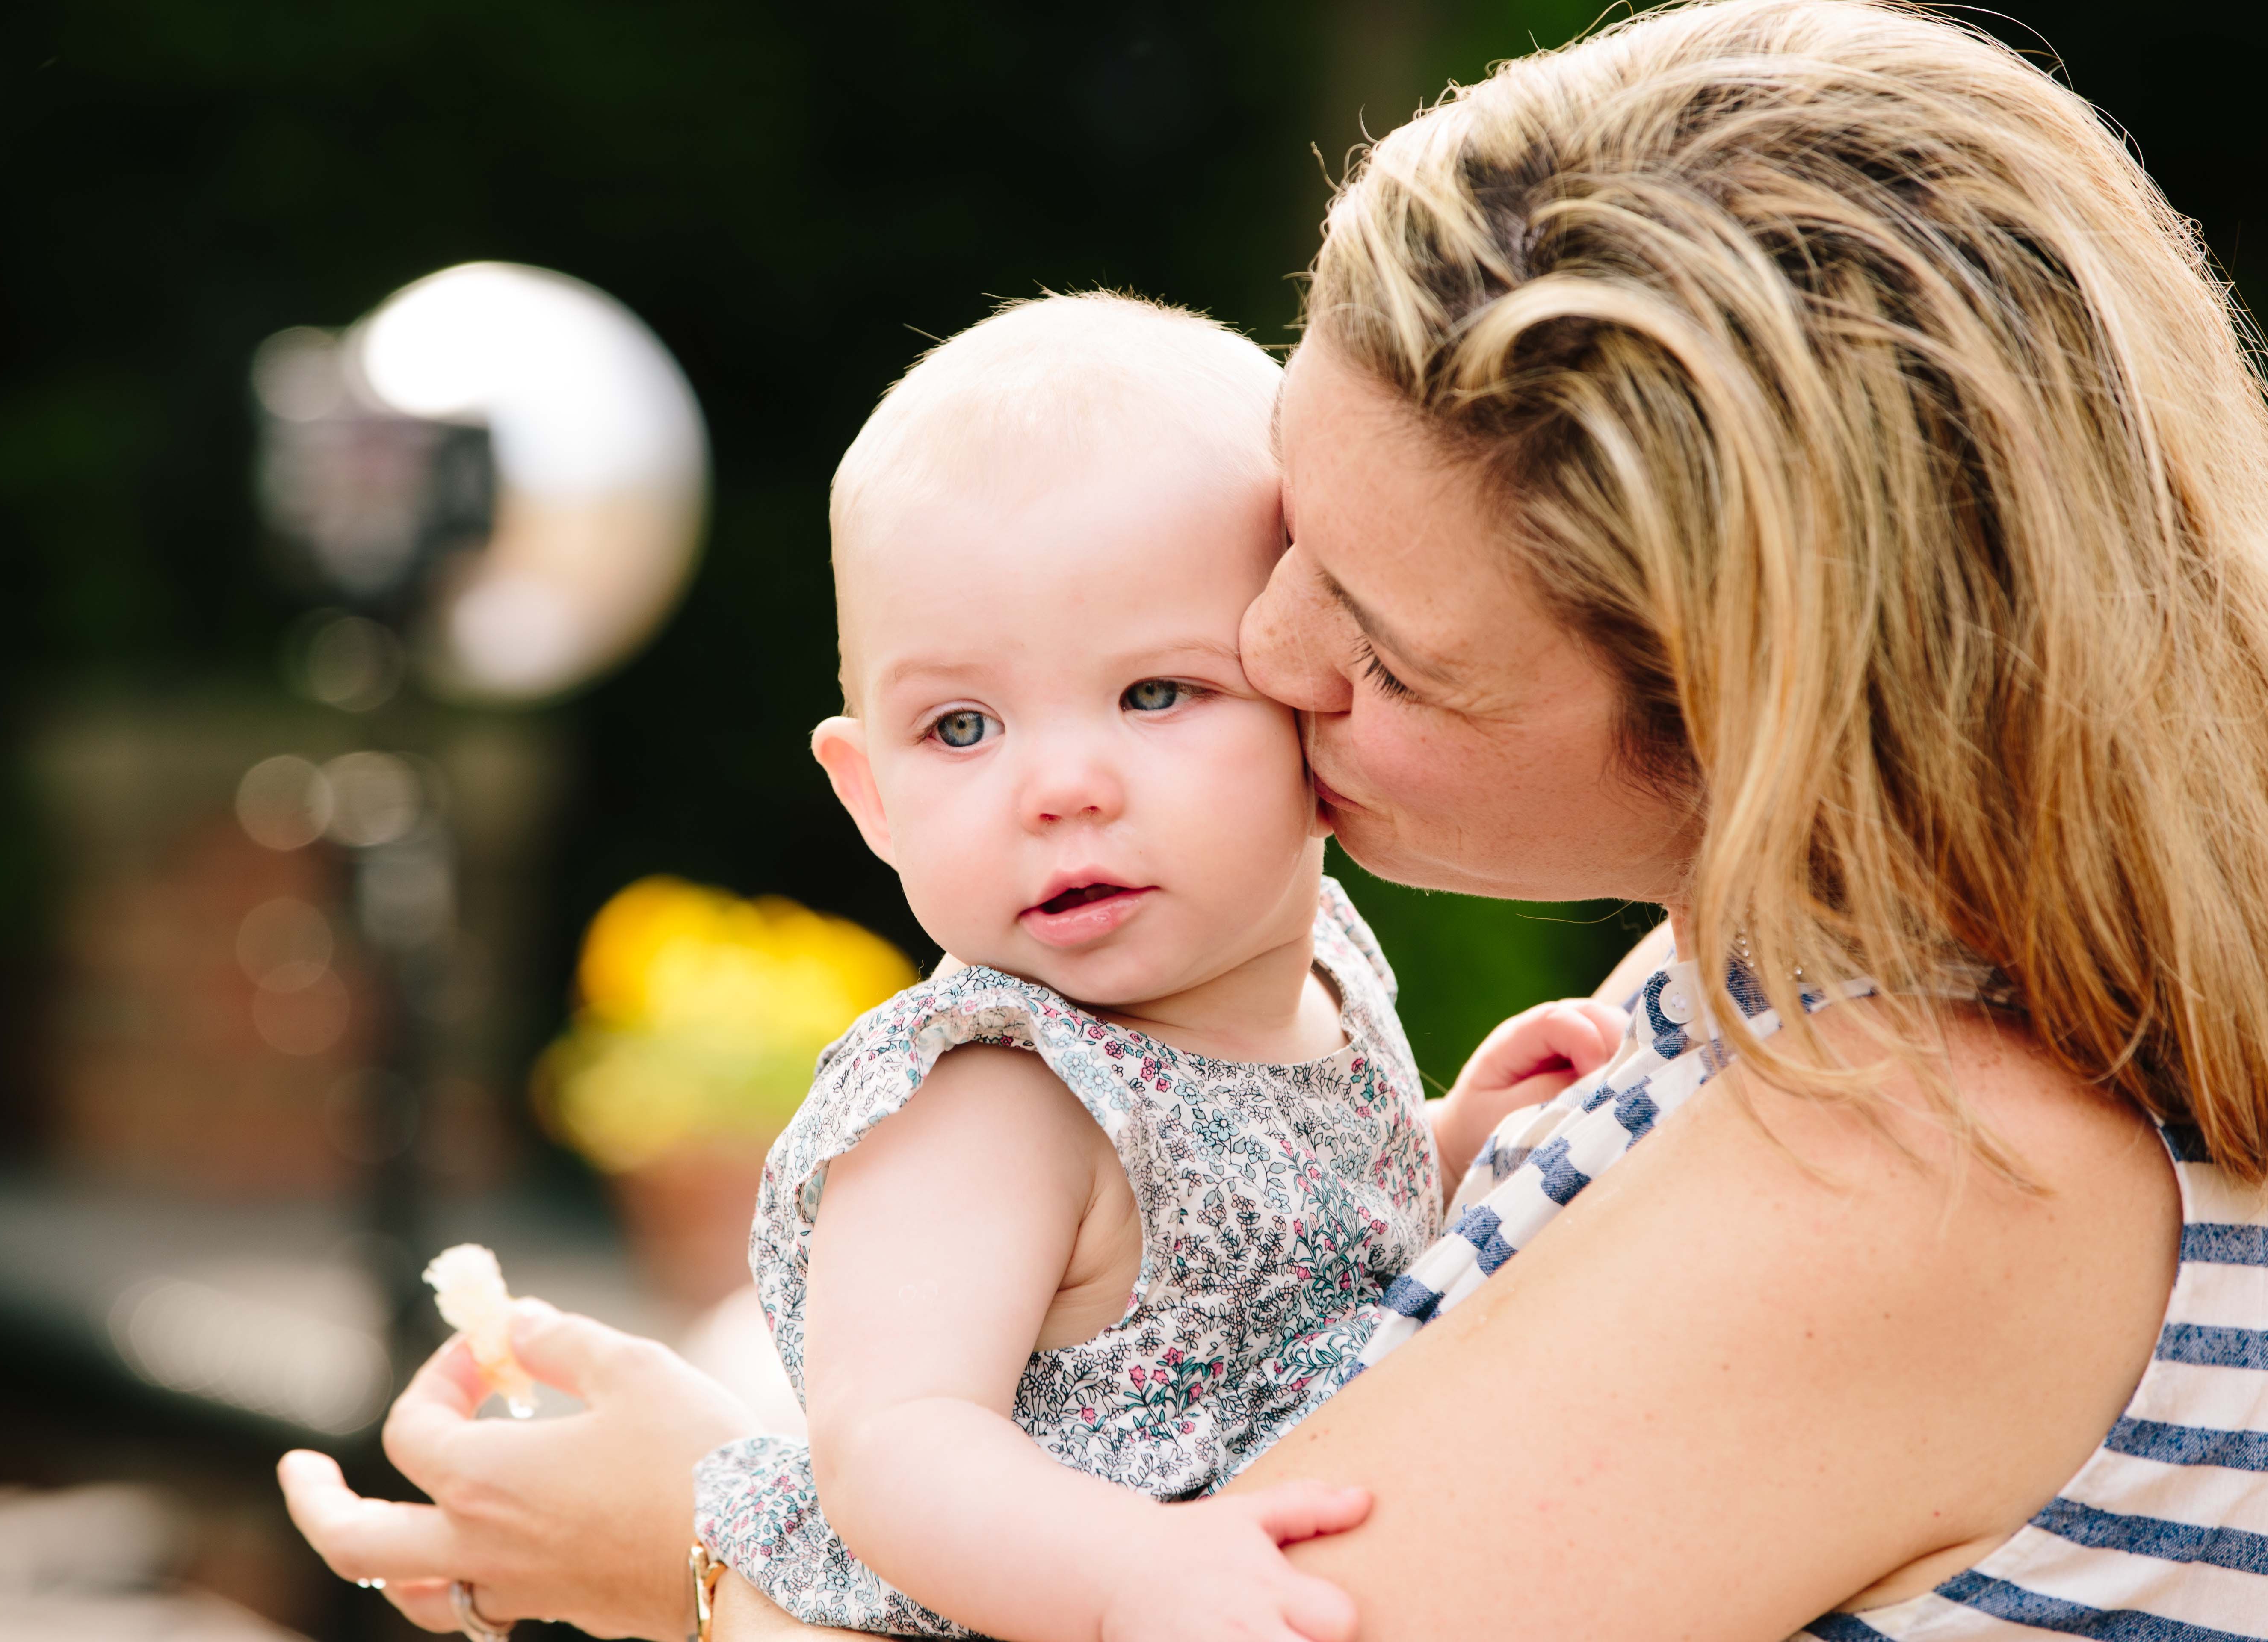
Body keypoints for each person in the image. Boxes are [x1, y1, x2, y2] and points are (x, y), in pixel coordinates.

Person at [278, 2, 2268, 1636]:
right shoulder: (1791, 977)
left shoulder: (1928, 1156)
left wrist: (707, 1558)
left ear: (1763, 716)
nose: (1268, 644)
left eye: (1393, 655)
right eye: (1292, 526)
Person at [688, 291, 1625, 1642]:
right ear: (871, 796)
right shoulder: (996, 1098)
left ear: (1311, 698)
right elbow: (891, 1440)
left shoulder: (1318, 974)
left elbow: (1257, 1255)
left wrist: (1447, 1141)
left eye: (1154, 695)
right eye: (962, 726)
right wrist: (1129, 1574)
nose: (1061, 786)